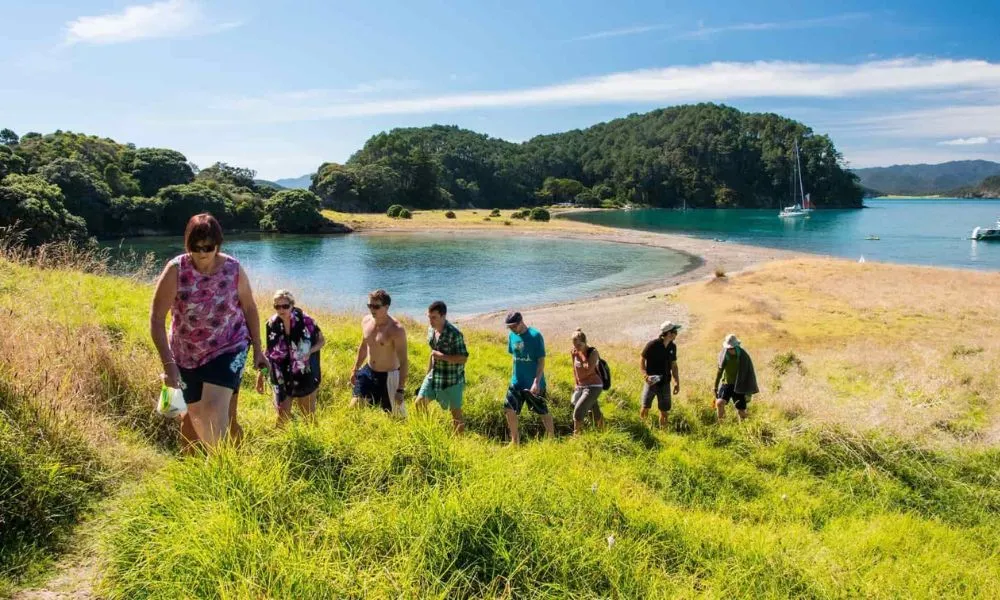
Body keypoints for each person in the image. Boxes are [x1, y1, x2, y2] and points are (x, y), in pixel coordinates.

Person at [150, 213, 267, 451]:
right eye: (196, 247)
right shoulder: (176, 269)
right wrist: (169, 365)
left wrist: (258, 349)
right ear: (188, 244)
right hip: (186, 354)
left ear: (218, 244)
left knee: (213, 412)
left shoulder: (233, 268)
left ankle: (226, 476)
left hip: (229, 347)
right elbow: (156, 318)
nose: (202, 253)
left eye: (208, 247)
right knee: (192, 421)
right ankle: (194, 477)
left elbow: (250, 307)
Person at [256, 290, 325, 427]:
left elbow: (322, 341)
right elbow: (269, 352)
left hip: (305, 372)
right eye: (277, 306)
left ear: (292, 305)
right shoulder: (271, 324)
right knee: (282, 414)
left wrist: (309, 351)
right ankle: (279, 445)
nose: (281, 310)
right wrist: (261, 375)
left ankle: (316, 444)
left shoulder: (306, 320)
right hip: (282, 376)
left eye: (285, 306)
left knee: (308, 414)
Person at [350, 289, 408, 416]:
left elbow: (403, 361)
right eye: (369, 305)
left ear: (386, 307)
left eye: (376, 306)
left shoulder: (396, 330)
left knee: (396, 417)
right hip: (368, 371)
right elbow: (364, 347)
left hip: (389, 376)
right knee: (354, 408)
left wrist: (400, 389)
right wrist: (355, 369)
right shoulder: (366, 321)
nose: (372, 309)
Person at [415, 301, 468, 433]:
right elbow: (433, 354)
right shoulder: (431, 330)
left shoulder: (454, 334)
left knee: (456, 414)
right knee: (419, 403)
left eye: (434, 317)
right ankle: (426, 434)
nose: (431, 321)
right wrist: (427, 375)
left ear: (443, 316)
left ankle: (459, 444)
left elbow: (463, 358)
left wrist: (442, 356)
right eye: (429, 317)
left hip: (452, 380)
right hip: (434, 376)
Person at [503, 311, 554, 445]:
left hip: (533, 383)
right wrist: (513, 377)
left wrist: (536, 382)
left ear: (521, 322)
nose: (512, 329)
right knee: (509, 408)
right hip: (516, 382)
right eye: (509, 327)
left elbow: (541, 361)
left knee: (542, 411)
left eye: (514, 326)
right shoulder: (512, 336)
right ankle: (515, 442)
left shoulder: (535, 336)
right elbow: (514, 358)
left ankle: (551, 439)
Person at [640, 321, 681, 428]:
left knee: (664, 412)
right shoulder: (652, 345)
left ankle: (664, 432)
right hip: (652, 383)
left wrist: (676, 381)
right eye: (675, 331)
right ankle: (642, 429)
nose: (677, 334)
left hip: (665, 383)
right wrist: (645, 375)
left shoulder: (673, 347)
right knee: (645, 407)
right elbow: (642, 359)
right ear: (669, 333)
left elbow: (674, 365)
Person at [713, 333, 759, 421]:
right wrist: (715, 386)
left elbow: (749, 374)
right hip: (727, 383)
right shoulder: (724, 355)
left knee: (741, 412)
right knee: (719, 403)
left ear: (737, 346)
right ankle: (722, 426)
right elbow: (719, 371)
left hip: (739, 385)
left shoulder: (743, 356)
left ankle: (750, 423)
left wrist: (748, 392)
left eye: (732, 348)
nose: (730, 350)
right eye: (728, 348)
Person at [570, 328, 605, 434]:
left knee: (579, 409)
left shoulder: (593, 352)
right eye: (574, 345)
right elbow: (575, 368)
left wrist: (580, 355)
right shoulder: (574, 352)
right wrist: (576, 383)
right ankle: (603, 430)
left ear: (585, 342)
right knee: (593, 410)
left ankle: (576, 435)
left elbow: (588, 369)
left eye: (579, 345)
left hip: (594, 385)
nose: (576, 347)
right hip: (582, 385)